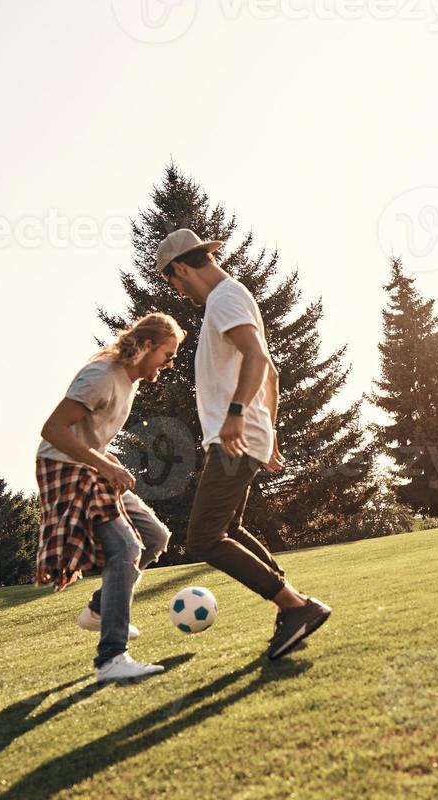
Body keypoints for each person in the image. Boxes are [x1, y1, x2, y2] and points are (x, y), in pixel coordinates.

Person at [155, 229, 332, 659]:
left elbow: (259, 359)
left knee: (203, 539)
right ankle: (293, 601)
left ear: (180, 268)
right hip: (245, 436)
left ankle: (295, 606)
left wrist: (237, 417)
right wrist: (266, 432)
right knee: (227, 529)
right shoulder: (230, 298)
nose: (178, 292)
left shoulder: (224, 299)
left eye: (173, 283)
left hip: (234, 437)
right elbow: (270, 375)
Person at [36, 312, 184, 682]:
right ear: (147, 346)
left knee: (154, 538)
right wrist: (101, 462)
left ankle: (101, 609)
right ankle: (111, 659)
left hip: (89, 465)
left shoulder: (128, 380)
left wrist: (105, 456)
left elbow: (89, 433)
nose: (169, 363)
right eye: (168, 354)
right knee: (125, 548)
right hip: (64, 468)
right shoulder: (101, 376)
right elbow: (53, 429)